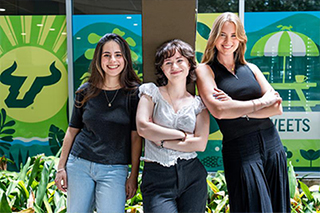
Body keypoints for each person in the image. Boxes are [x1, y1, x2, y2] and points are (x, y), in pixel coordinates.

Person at [196, 12, 290, 212]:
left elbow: (277, 107)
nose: (228, 41)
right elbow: (220, 110)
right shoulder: (205, 70)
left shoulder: (252, 68)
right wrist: (261, 103)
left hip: (272, 144)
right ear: (213, 37)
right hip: (241, 149)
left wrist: (238, 109)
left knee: (278, 207)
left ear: (240, 39)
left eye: (233, 35)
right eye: (222, 34)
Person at [54, 33, 142, 213]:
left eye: (118, 55)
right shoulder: (85, 91)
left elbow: (136, 138)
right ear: (98, 59)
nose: (112, 60)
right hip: (79, 164)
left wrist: (133, 175)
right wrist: (60, 168)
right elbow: (72, 131)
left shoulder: (134, 94)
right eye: (106, 55)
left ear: (125, 58)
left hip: (115, 169)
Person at [136, 39, 210, 213]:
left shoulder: (198, 104)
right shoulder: (151, 93)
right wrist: (182, 135)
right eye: (167, 62)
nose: (174, 66)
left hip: (193, 175)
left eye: (179, 61)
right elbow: (143, 128)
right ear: (162, 68)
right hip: (157, 176)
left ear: (189, 65)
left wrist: (162, 141)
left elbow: (200, 144)